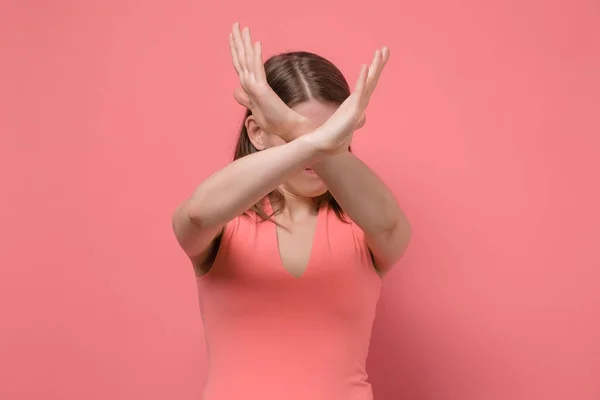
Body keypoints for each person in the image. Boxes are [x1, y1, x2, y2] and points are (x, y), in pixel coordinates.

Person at [172, 22, 412, 400]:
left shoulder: (363, 225)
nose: (317, 150)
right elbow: (196, 215)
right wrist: (315, 138)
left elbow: (391, 226)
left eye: (333, 133)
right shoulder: (223, 221)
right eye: (298, 134)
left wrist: (289, 125)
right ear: (256, 131)